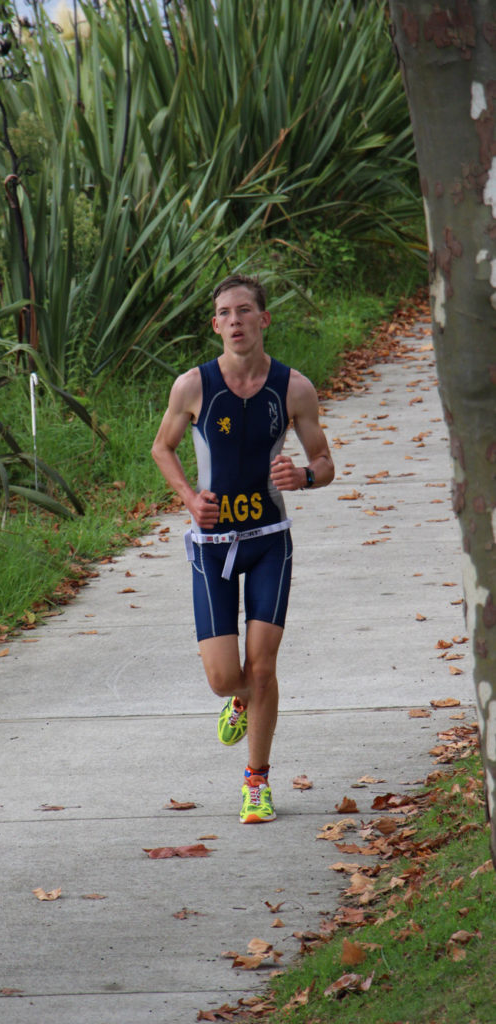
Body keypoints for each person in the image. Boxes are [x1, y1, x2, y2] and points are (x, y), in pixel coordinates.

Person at [151, 274, 334, 824]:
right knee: (224, 677)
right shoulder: (193, 386)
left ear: (263, 319)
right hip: (211, 547)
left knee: (264, 667)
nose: (235, 321)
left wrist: (302, 476)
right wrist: (189, 498)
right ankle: (238, 698)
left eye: (244, 311)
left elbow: (325, 463)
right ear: (216, 325)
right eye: (225, 313)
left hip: (269, 543)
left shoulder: (293, 388)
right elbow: (163, 448)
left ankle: (257, 783)